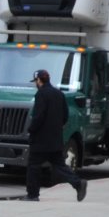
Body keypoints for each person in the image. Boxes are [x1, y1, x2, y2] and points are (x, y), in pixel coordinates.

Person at [24, 69, 87, 202]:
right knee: (60, 165)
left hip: (40, 140)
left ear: (39, 80)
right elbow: (65, 116)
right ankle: (78, 183)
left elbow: (38, 116)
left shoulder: (41, 94)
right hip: (56, 139)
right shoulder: (59, 94)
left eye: (36, 81)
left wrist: (31, 129)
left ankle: (32, 195)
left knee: (33, 165)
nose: (36, 83)